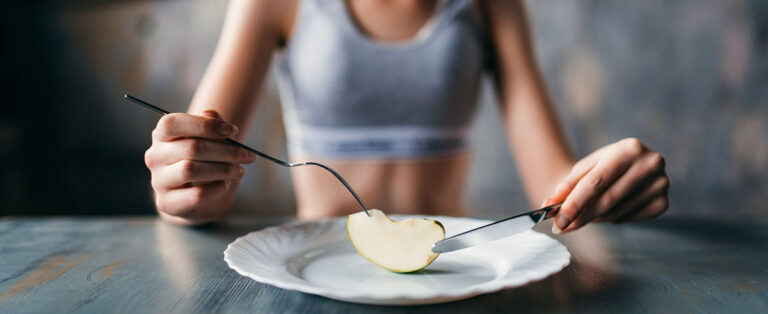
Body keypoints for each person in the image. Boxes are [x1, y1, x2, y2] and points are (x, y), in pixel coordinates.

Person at [143, 0, 669, 233]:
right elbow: (197, 164)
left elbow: (555, 188)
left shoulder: (489, 4)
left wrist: (607, 184)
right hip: (318, 278)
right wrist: (180, 184)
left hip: (452, 272)